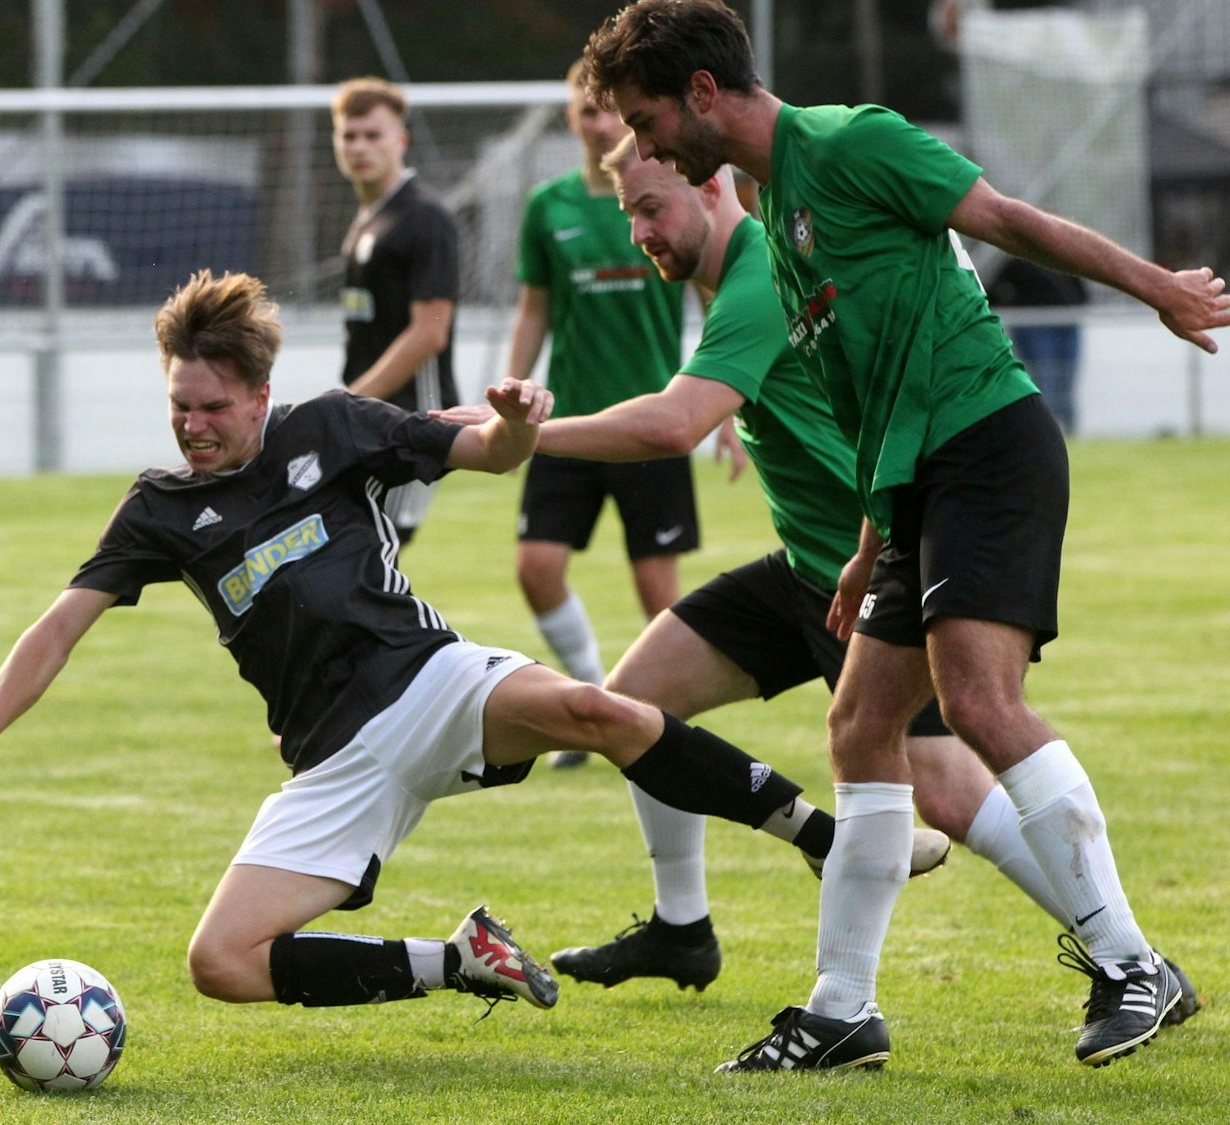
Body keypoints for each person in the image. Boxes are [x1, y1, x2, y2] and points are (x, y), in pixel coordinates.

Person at [0, 269, 891, 1020]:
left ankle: (818, 836)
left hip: (429, 681)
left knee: (595, 708)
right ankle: (456, 960)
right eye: (179, 407)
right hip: (334, 759)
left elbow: (483, 451)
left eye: (211, 407)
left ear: (260, 395)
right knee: (221, 962)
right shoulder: (158, 510)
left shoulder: (331, 428)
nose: (192, 426)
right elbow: (58, 627)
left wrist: (517, 425)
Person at [583, 0, 1226, 1070]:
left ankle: (1131, 965)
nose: (644, 144)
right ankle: (841, 1013)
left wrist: (1157, 289)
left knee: (977, 703)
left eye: (646, 121)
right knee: (857, 727)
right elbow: (866, 400)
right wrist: (866, 542)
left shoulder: (848, 142)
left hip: (988, 439)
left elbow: (1008, 219)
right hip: (914, 485)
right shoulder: (776, 217)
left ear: (700, 93)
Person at [439, 137, 1138, 1006]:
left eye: (651, 207)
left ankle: (1128, 955)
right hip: (814, 564)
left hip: (868, 569)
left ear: (711, 185)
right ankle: (684, 926)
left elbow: (672, 424)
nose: (639, 232)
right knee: (634, 702)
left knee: (952, 793)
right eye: (628, 214)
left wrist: (516, 439)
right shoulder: (731, 274)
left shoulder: (762, 271)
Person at [502, 62, 693, 746]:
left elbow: (712, 291)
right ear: (570, 119)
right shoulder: (548, 206)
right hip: (569, 423)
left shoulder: (664, 194)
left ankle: (671, 731)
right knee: (536, 569)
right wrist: (509, 395)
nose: (601, 123)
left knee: (657, 591)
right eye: (587, 111)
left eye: (611, 110)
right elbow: (534, 310)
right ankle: (591, 692)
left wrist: (726, 407)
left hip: (651, 424)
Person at [332, 77, 460, 549]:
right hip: (369, 419)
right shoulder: (367, 218)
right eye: (349, 135)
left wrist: (349, 400)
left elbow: (430, 333)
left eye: (373, 135)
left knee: (368, 554)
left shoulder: (424, 218)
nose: (359, 147)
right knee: (350, 559)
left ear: (400, 139)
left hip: (410, 425)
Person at [991, 258, 1088, 434]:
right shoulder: (1019, 263)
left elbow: (1081, 291)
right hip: (1035, 327)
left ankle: (1068, 431)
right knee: (1045, 381)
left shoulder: (1063, 258)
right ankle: (1048, 432)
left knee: (1065, 382)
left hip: (1066, 323)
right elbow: (995, 292)